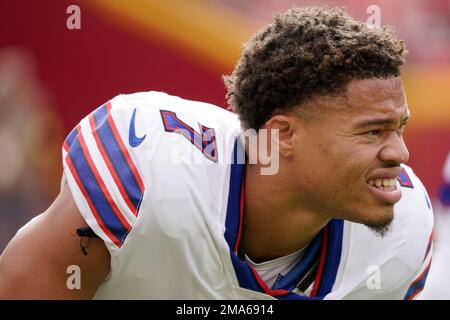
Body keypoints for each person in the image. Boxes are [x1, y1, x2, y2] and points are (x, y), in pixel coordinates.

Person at [0, 6, 433, 299]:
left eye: (400, 128)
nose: (400, 153)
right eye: (372, 131)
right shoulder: (151, 169)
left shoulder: (403, 235)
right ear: (283, 135)